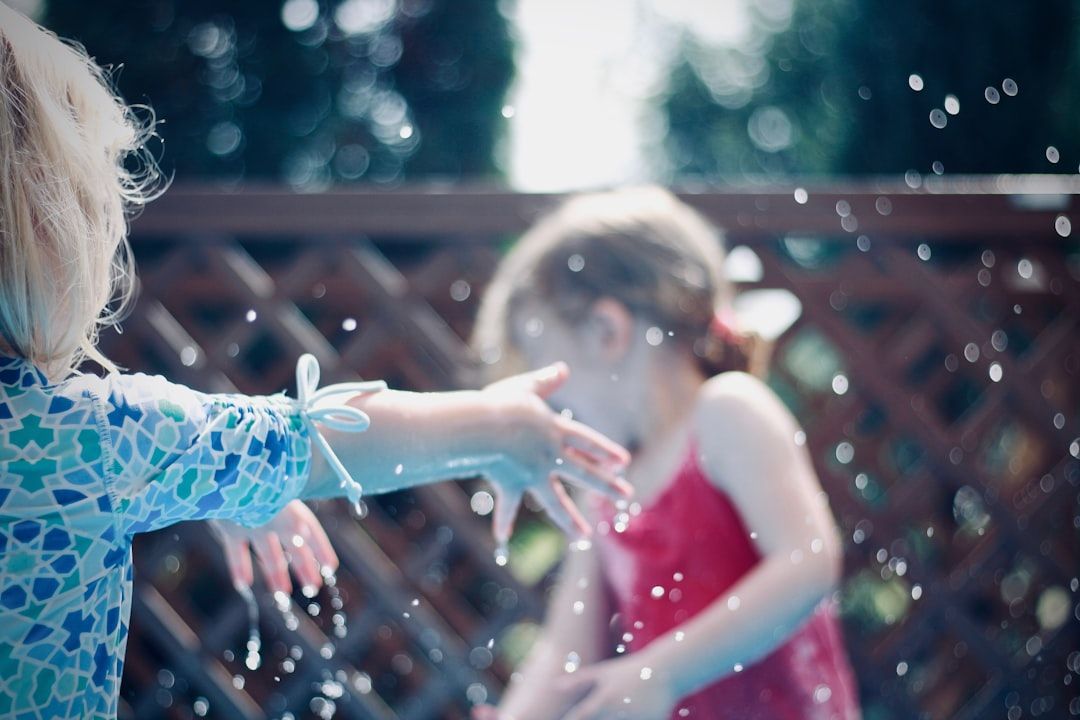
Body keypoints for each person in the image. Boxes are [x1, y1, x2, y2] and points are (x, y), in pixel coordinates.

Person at [0, 7, 630, 718]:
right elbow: (319, 435)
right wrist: (501, 424)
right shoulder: (77, 437)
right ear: (53, 236)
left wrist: (225, 483)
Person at [470, 187, 861, 719]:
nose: (549, 405)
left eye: (542, 361)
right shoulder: (606, 484)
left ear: (608, 331)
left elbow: (808, 564)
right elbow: (566, 649)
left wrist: (664, 673)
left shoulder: (726, 414)